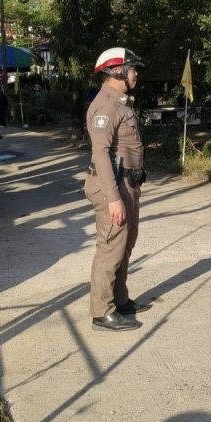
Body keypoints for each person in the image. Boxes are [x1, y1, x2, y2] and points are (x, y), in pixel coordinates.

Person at [84, 47, 149, 332]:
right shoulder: (106, 105)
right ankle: (102, 312)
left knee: (125, 243)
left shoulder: (120, 102)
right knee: (110, 247)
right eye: (132, 68)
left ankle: (119, 300)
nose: (136, 73)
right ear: (116, 71)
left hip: (128, 183)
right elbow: (101, 154)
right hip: (112, 185)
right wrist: (113, 198)